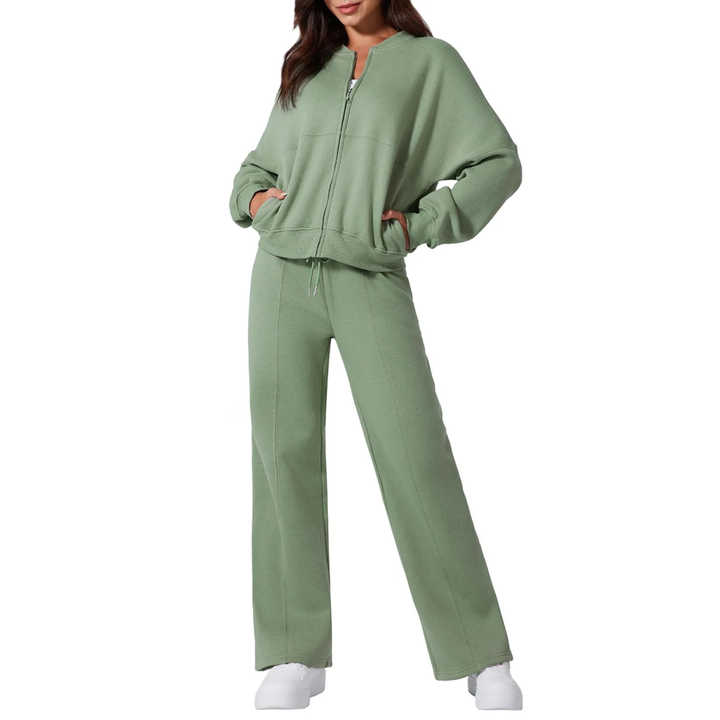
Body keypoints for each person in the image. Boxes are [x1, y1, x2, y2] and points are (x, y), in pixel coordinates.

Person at [229, 0, 523, 710]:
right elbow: (257, 165)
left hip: (369, 276)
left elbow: (499, 163)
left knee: (415, 457)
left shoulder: (430, 64)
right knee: (283, 458)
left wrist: (420, 225)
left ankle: (478, 653)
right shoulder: (307, 66)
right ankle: (295, 652)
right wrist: (256, 202)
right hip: (280, 279)